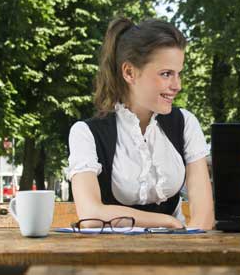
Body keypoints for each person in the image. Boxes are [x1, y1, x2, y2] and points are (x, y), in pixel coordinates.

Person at [67, 17, 214, 230]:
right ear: (129, 72)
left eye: (178, 74)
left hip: (177, 252)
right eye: (166, 74)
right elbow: (91, 214)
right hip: (110, 258)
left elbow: (203, 219)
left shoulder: (186, 124)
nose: (177, 85)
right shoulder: (86, 133)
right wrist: (167, 222)